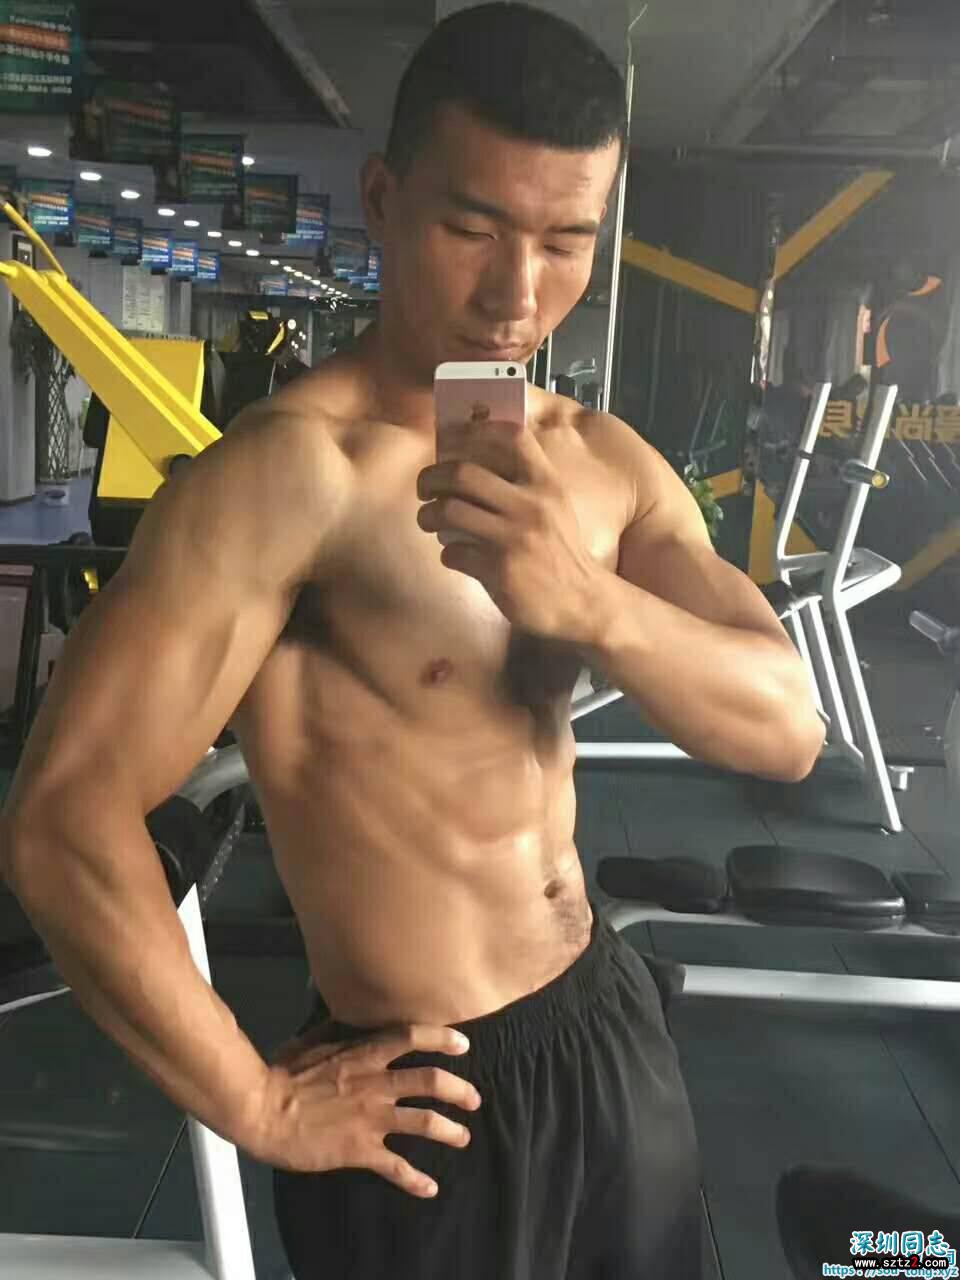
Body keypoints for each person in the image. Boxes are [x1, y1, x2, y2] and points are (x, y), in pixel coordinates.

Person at [0, 5, 825, 1277]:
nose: (517, 294)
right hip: (429, 1093)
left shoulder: (605, 463)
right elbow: (64, 819)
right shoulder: (290, 478)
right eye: (472, 229)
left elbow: (788, 728)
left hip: (605, 1025)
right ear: (383, 201)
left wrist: (590, 602)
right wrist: (257, 1100)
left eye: (566, 241)